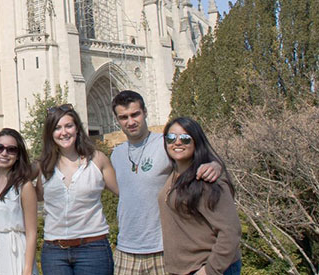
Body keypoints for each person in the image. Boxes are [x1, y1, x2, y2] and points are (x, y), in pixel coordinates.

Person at [110, 90, 222, 275]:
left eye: (135, 114)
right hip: (126, 249)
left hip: (163, 248)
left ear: (145, 112)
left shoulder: (166, 145)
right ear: (117, 120)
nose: (130, 122)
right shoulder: (116, 154)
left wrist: (215, 166)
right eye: (123, 117)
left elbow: (202, 159)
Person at [37, 104, 118, 275]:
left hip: (93, 249)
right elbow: (22, 185)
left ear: (77, 129)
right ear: (51, 134)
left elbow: (124, 193)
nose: (64, 132)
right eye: (57, 128)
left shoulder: (97, 160)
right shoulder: (44, 166)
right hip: (54, 252)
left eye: (69, 126)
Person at [159, 117, 241, 275]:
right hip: (183, 268)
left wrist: (209, 270)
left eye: (185, 138)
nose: (177, 142)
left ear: (196, 141)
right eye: (170, 138)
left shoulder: (207, 179)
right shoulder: (174, 174)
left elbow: (230, 231)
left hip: (207, 267)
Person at [0, 128, 37, 275]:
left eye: (11, 150)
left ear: (18, 155)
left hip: (16, 257)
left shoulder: (24, 186)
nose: (4, 153)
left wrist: (27, 270)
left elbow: (32, 232)